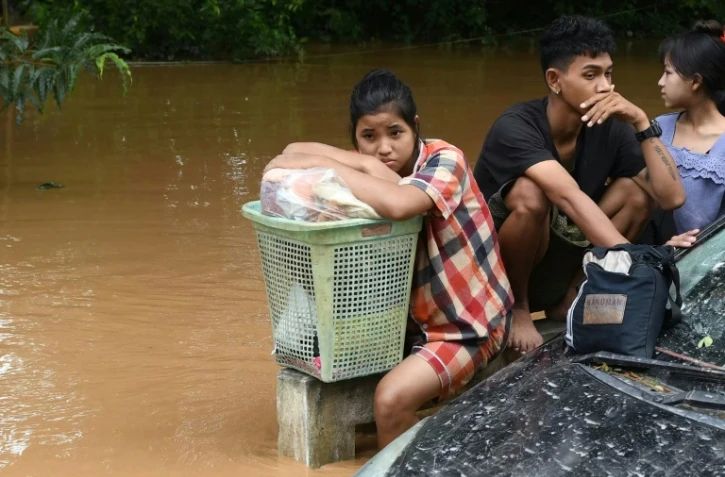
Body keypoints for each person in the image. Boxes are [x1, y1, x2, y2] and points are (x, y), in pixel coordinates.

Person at [263, 68, 514, 448]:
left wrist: (341, 168)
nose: (384, 148)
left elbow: (399, 202)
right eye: (369, 137)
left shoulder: (446, 161)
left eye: (395, 133)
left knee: (390, 401)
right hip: (411, 324)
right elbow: (287, 155)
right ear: (355, 138)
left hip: (469, 326)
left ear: (415, 127)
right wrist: (360, 165)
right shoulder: (366, 165)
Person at [473, 15, 686, 354]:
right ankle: (519, 309)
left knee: (636, 195)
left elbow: (671, 197)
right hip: (501, 274)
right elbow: (568, 196)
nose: (606, 86)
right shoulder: (515, 127)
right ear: (555, 81)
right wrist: (635, 261)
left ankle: (573, 298)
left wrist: (641, 122)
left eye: (608, 73)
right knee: (531, 193)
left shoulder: (610, 127)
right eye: (591, 75)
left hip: (561, 265)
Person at [649, 20, 725, 249]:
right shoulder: (658, 127)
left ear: (696, 81)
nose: (660, 82)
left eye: (668, 72)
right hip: (652, 251)